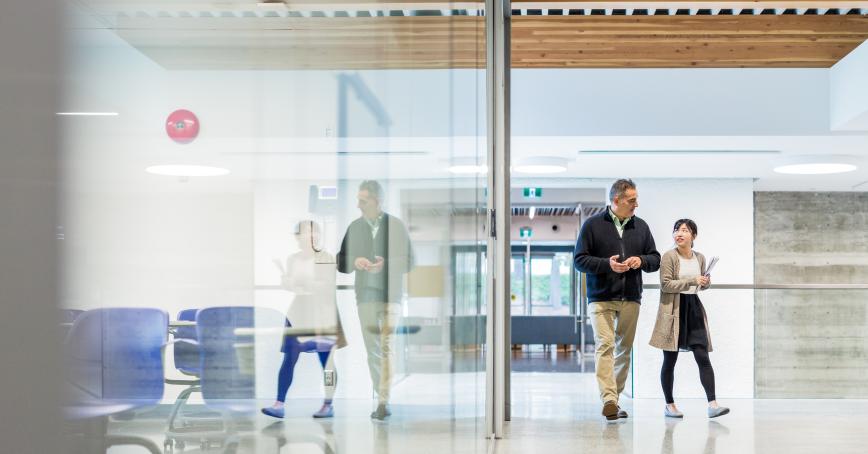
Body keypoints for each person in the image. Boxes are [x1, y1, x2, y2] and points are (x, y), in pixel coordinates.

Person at [574, 178, 661, 421]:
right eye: (631, 200)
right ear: (616, 200)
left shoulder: (641, 227)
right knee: (605, 345)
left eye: (636, 200)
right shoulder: (592, 226)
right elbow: (579, 260)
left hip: (631, 297)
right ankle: (609, 399)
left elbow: (655, 259)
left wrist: (641, 261)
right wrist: (607, 265)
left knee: (624, 349)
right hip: (600, 298)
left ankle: (615, 399)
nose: (636, 205)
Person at [337, 180, 414, 421]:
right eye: (358, 200)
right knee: (373, 350)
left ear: (377, 201)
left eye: (363, 200)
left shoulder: (396, 226)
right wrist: (355, 261)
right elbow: (341, 262)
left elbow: (409, 261)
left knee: (387, 347)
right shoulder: (355, 227)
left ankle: (384, 399)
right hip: (366, 295)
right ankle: (381, 397)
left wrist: (386, 265)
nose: (358, 205)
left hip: (391, 296)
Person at [262, 220, 347, 419]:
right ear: (298, 237)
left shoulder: (326, 257)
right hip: (298, 311)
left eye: (315, 233)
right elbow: (291, 286)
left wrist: (303, 282)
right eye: (307, 233)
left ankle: (328, 405)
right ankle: (279, 404)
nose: (312, 236)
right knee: (289, 358)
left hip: (322, 312)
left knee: (327, 362)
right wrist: (288, 281)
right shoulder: (293, 259)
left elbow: (325, 285)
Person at [649, 219, 729, 419]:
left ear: (694, 235)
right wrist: (693, 280)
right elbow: (666, 285)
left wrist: (705, 282)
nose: (679, 233)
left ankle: (712, 404)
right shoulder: (669, 257)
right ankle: (669, 405)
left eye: (684, 230)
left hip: (693, 307)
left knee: (702, 355)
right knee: (670, 359)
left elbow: (700, 286)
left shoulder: (699, 258)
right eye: (676, 230)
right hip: (673, 309)